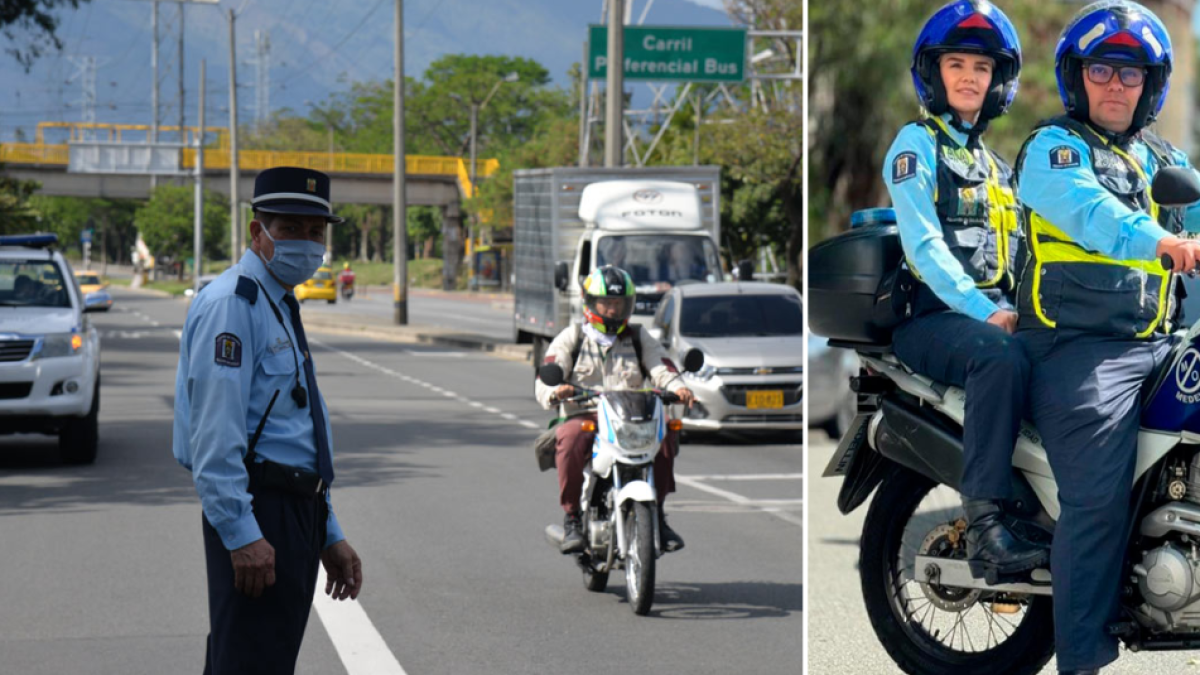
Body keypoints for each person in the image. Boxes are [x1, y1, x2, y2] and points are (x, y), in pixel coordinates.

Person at [1014, 3, 1200, 673]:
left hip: (1156, 342)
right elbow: (1095, 216)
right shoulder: (1053, 150)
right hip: (1076, 350)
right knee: (1096, 494)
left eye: (1132, 73)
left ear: (1151, 85)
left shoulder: (1164, 157)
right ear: (1078, 77)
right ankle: (1083, 660)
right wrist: (1166, 242)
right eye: (1102, 69)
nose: (1117, 85)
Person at [172, 167, 363, 674]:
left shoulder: (277, 302)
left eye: (315, 232)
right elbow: (213, 439)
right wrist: (241, 533)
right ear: (257, 233)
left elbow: (293, 429)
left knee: (263, 662)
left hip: (294, 511)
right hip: (261, 513)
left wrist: (328, 531)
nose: (306, 243)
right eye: (290, 228)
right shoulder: (233, 306)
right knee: (250, 664)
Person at [883, 0, 1048, 582]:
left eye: (981, 67)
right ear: (933, 73)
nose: (969, 78)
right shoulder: (915, 145)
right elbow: (925, 247)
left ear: (997, 80)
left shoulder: (997, 165)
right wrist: (986, 312)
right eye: (956, 64)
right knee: (999, 356)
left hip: (991, 315)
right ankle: (984, 531)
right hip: (933, 320)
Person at [534, 266, 696, 554]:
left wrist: (678, 386)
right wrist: (555, 390)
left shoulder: (637, 336)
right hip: (586, 414)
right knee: (569, 438)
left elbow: (661, 366)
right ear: (592, 304)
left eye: (618, 303)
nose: (612, 310)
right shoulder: (573, 337)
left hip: (631, 415)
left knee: (666, 433)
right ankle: (572, 517)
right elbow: (548, 371)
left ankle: (657, 513)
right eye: (606, 303)